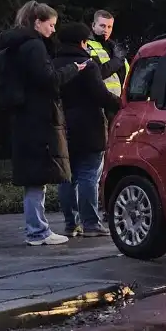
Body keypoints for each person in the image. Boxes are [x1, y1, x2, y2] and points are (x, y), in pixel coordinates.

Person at [0, 0, 87, 245]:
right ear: (37, 22)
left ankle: (37, 228)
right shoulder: (34, 46)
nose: (54, 30)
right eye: (51, 24)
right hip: (38, 117)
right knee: (37, 176)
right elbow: (48, 79)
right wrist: (73, 69)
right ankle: (38, 231)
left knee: (33, 175)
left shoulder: (13, 45)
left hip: (23, 117)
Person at [54, 22, 123, 237]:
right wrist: (123, 104)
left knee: (67, 177)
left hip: (61, 126)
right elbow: (101, 95)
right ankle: (91, 223)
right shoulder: (87, 64)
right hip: (89, 125)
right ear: (83, 42)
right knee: (88, 176)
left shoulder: (52, 64)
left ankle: (70, 223)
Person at [87, 9, 129, 98]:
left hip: (119, 101)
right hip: (97, 101)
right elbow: (95, 74)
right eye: (102, 26)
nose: (106, 30)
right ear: (93, 25)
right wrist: (116, 61)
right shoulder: (86, 45)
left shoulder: (116, 48)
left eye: (109, 27)